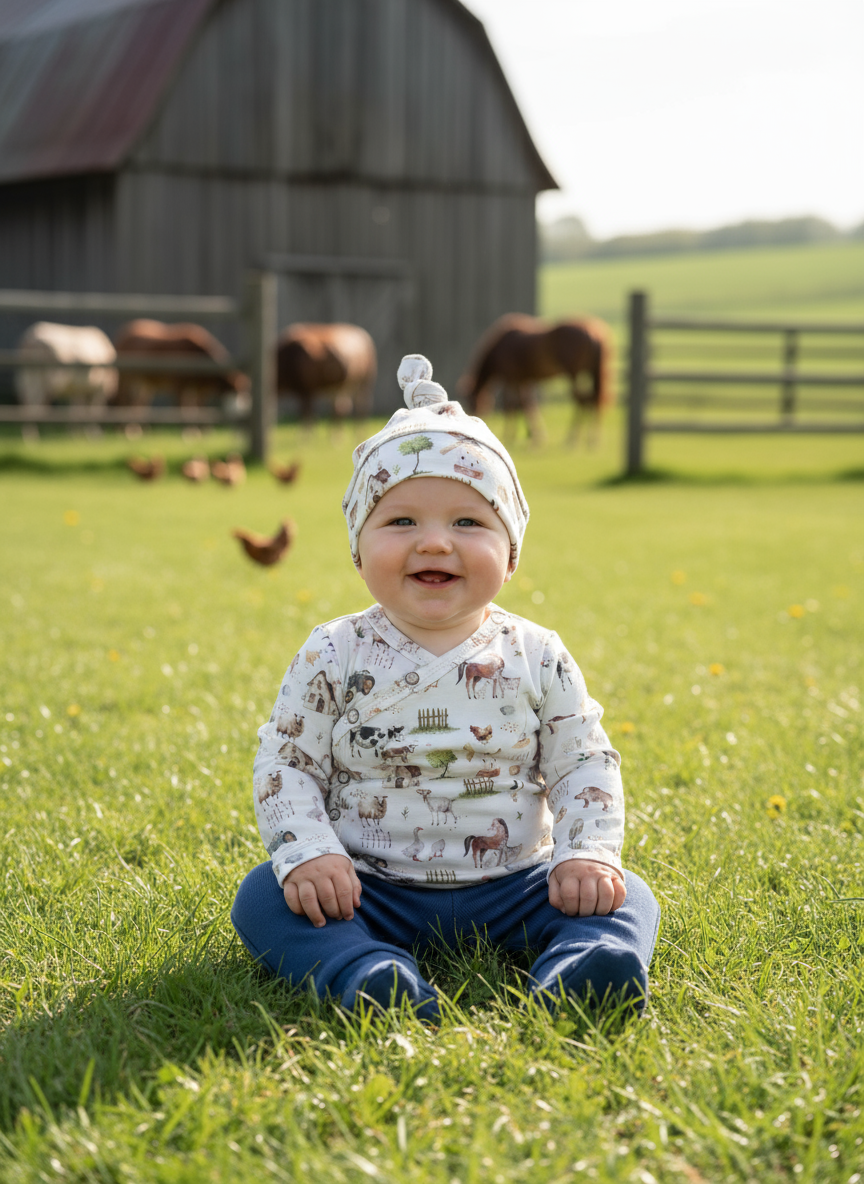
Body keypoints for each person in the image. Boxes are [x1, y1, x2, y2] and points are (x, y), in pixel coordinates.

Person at [231, 355, 660, 1020]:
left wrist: (585, 856)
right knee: (264, 895)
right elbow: (287, 762)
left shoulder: (537, 654)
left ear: (510, 555)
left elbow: (583, 761)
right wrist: (312, 855)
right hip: (368, 888)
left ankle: (581, 970)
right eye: (401, 522)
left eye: (468, 523)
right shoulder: (333, 652)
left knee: (628, 894)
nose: (434, 543)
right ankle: (367, 973)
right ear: (358, 550)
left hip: (516, 886)